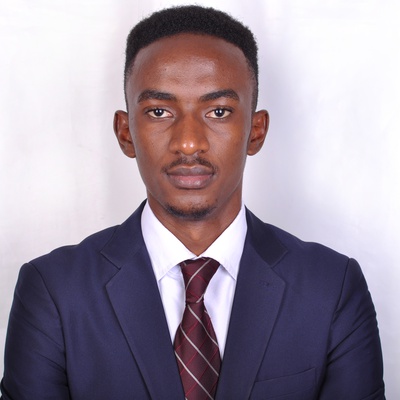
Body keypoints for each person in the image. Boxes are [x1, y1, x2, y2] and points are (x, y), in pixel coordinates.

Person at [1, 5, 384, 400]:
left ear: (255, 132)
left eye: (218, 111)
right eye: (159, 111)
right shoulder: (54, 292)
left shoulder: (331, 289)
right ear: (126, 133)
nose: (188, 143)